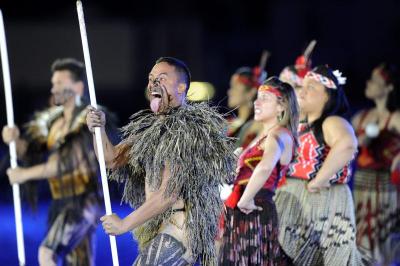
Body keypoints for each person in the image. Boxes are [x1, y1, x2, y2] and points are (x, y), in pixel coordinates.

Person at [86, 57, 236, 265]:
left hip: (179, 229)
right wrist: (99, 129)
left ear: (181, 87)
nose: (153, 83)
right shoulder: (152, 131)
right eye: (151, 78)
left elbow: (168, 193)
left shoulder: (186, 130)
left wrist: (123, 224)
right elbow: (111, 160)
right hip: (161, 229)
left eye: (162, 78)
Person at [2, 58, 101, 266]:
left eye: (59, 83)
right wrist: (14, 139)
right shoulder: (55, 125)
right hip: (62, 203)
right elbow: (30, 152)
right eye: (53, 83)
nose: (52, 88)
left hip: (81, 203)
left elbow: (64, 164)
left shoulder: (86, 122)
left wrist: (23, 174)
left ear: (78, 87)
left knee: (47, 253)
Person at [275, 65, 370, 265]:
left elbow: (347, 144)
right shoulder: (297, 124)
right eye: (302, 86)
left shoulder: (332, 121)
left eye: (311, 88)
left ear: (327, 97)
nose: (302, 91)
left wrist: (319, 180)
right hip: (293, 198)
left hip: (322, 199)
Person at [219, 77, 298, 265]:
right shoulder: (262, 136)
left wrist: (246, 198)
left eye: (265, 98)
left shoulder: (279, 134)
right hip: (241, 208)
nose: (257, 102)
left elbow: (264, 167)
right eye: (257, 97)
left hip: (255, 207)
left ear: (281, 106)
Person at [352, 63, 400, 261]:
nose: (368, 83)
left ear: (388, 87)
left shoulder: (395, 118)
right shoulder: (361, 117)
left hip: (385, 189)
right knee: (360, 242)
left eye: (374, 80)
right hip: (361, 186)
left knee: (383, 244)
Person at [227, 66, 267, 149]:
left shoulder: (260, 126)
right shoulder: (227, 124)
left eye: (235, 88)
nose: (229, 92)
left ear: (251, 93)